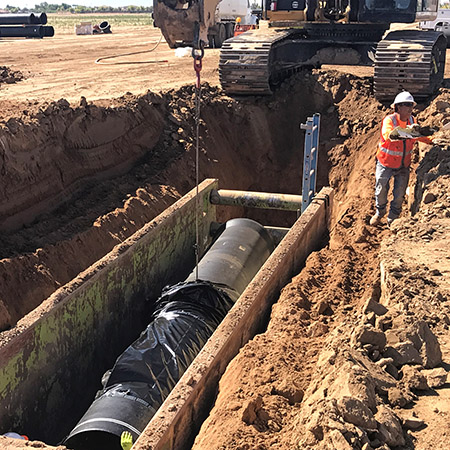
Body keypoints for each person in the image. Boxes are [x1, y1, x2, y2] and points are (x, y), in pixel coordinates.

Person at [370, 91, 433, 227]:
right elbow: (389, 135)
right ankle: (380, 212)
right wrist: (409, 132)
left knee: (399, 194)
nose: (411, 108)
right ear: (398, 107)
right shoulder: (389, 121)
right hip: (385, 164)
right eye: (407, 105)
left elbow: (417, 136)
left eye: (411, 105)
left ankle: (393, 217)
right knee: (381, 190)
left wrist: (432, 140)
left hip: (403, 165)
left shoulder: (412, 121)